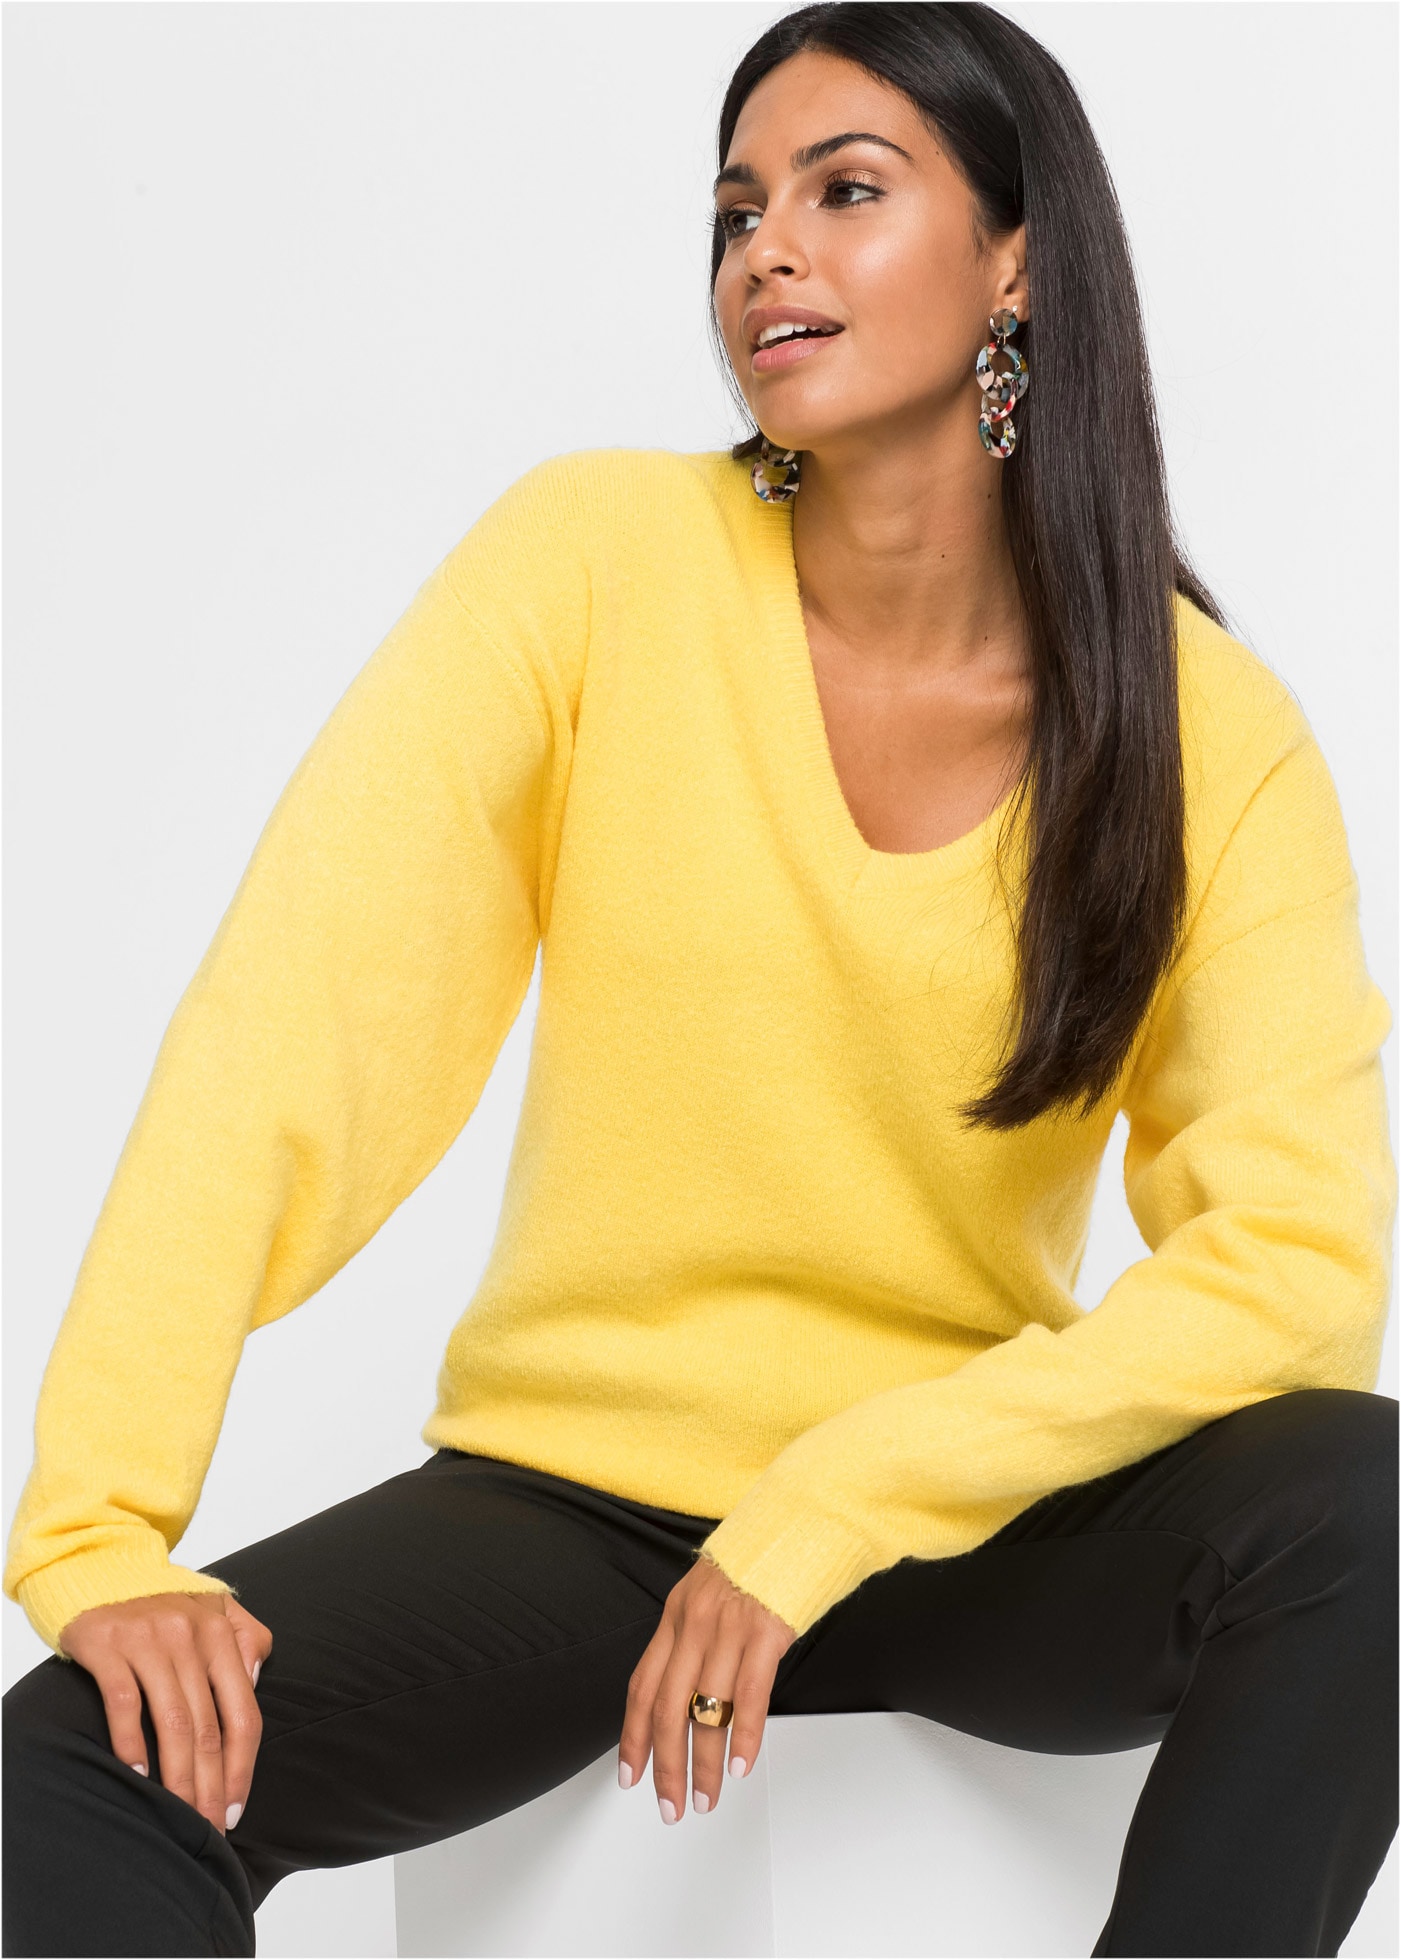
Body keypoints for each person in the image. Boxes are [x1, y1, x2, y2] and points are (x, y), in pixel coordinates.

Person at [4, 4, 1396, 1955]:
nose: (766, 251)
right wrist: (99, 1524)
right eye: (737, 209)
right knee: (73, 1769)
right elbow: (292, 1033)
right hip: (583, 1509)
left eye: (845, 191)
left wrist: (841, 1497)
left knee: (1367, 1509)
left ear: (1015, 262)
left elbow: (1296, 1266)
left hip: (956, 1519)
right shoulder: (593, 563)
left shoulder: (1202, 728)